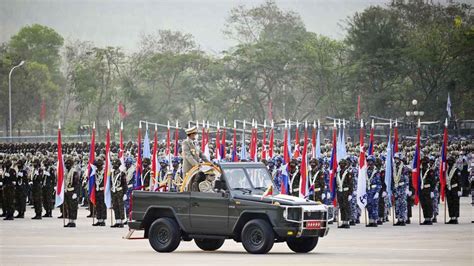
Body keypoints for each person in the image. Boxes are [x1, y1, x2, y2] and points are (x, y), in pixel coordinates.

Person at [392, 153, 409, 226]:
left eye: (397, 159)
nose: (396, 160)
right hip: (396, 188)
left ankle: (403, 219)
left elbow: (407, 178)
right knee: (397, 204)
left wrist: (407, 188)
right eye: (395, 158)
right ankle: (399, 219)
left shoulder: (404, 167)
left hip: (402, 188)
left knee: (403, 204)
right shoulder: (394, 167)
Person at [336, 159, 353, 229]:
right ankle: (343, 221)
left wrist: (350, 194)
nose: (341, 165)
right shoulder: (338, 173)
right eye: (340, 164)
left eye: (343, 164)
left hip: (346, 192)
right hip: (340, 192)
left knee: (346, 207)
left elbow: (351, 184)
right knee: (342, 207)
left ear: (345, 165)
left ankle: (347, 222)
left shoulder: (348, 173)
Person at [111, 158, 127, 228]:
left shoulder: (122, 173)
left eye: (115, 164)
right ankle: (117, 221)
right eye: (113, 164)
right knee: (115, 206)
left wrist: (125, 193)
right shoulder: (112, 173)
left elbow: (124, 184)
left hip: (120, 191)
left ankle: (121, 221)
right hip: (114, 191)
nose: (114, 165)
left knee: (120, 207)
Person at [366, 156, 381, 227]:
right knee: (369, 206)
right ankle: (370, 220)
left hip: (374, 191)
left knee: (374, 206)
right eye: (368, 161)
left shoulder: (376, 171)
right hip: (368, 191)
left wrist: (377, 192)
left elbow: (379, 183)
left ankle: (375, 221)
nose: (369, 162)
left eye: (371, 161)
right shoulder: (366, 170)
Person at [445, 157, 462, 224]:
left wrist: (459, 190)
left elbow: (459, 180)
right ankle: (452, 217)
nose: (449, 162)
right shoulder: (447, 170)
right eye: (448, 161)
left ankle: (455, 218)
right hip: (449, 189)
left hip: (455, 188)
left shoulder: (456, 170)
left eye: (450, 161)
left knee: (455, 203)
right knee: (450, 203)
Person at [419, 157, 435, 225]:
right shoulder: (420, 170)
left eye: (424, 162)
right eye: (422, 162)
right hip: (422, 190)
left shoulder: (430, 170)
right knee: (423, 205)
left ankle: (429, 219)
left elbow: (433, 181)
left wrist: (432, 191)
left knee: (429, 204)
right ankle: (426, 218)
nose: (423, 163)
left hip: (428, 189)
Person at [93, 158, 106, 226]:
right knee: (97, 205)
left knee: (102, 205)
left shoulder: (105, 172)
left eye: (99, 165)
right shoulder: (95, 172)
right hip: (97, 191)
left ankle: (103, 220)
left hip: (102, 190)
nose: (98, 166)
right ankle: (99, 219)